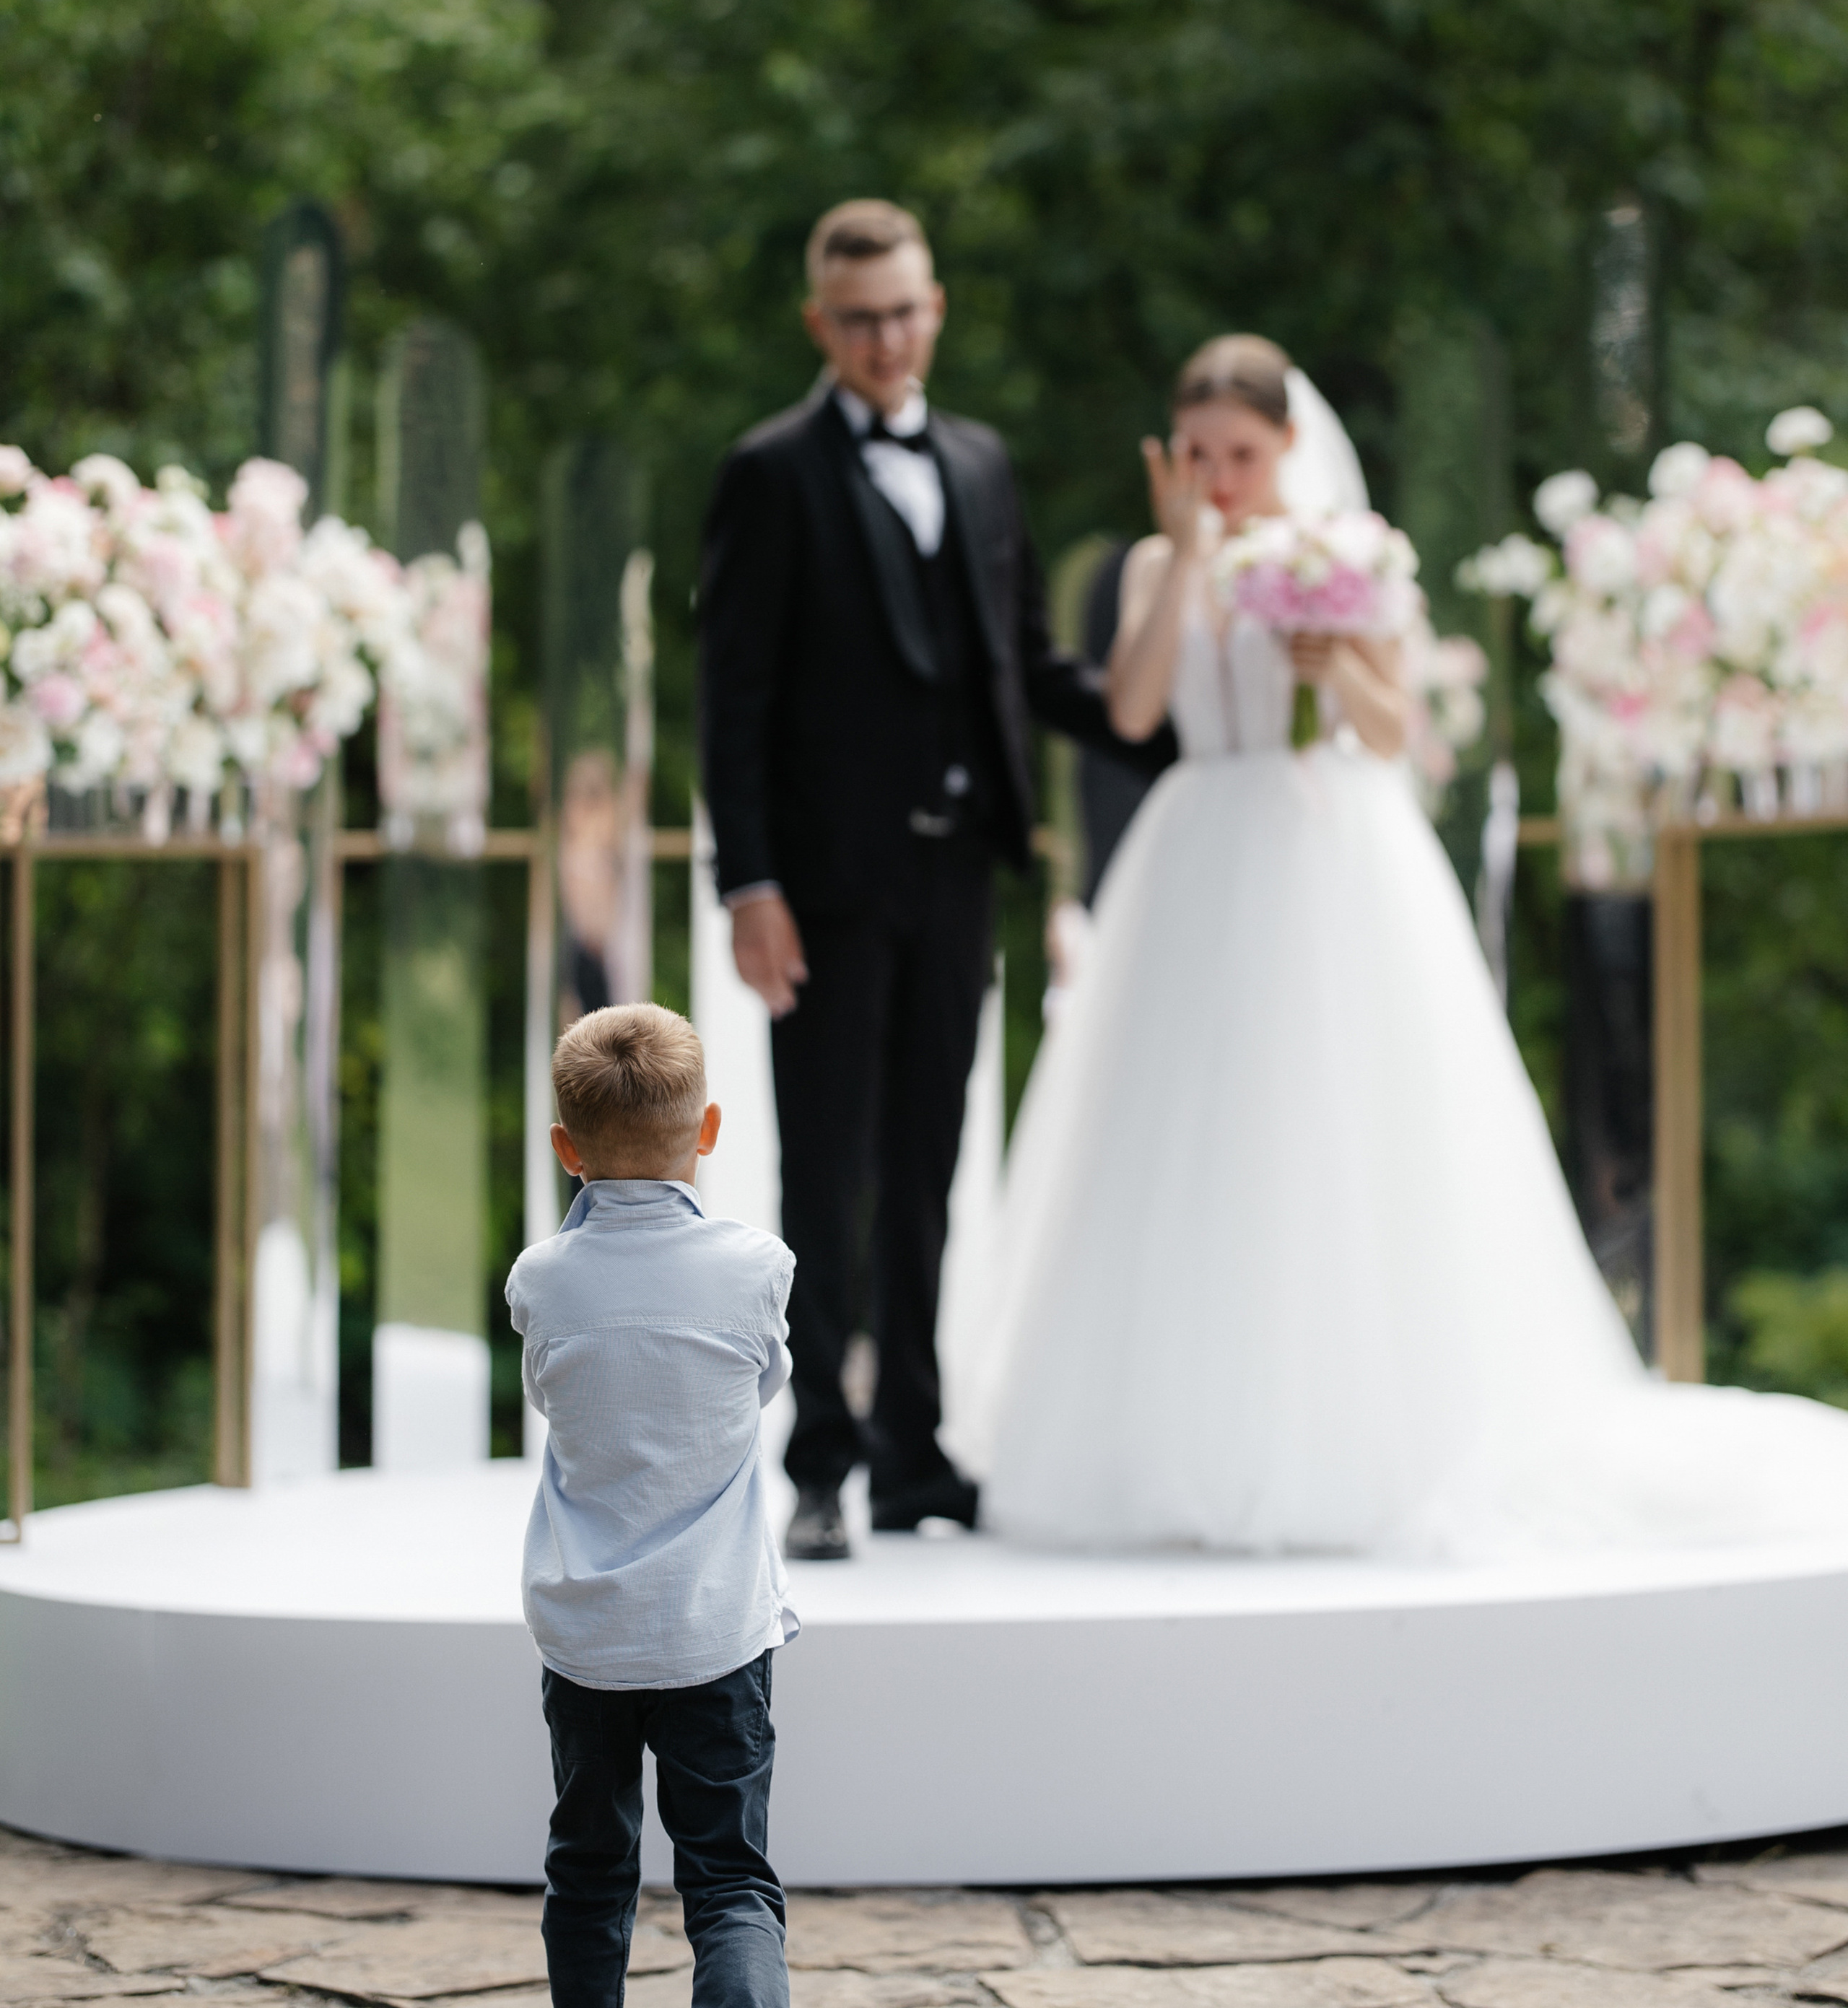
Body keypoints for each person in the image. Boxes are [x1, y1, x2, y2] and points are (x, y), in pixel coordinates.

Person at [951, 331, 1848, 1557]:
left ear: (1284, 447)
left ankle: (1350, 1434)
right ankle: (1172, 1435)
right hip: (1198, 844)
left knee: (1340, 1121)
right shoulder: (1167, 559)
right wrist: (1184, 562)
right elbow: (1133, 710)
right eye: (1199, 453)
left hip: (1326, 846)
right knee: (1185, 1129)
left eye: (1242, 453)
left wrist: (1332, 661)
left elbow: (1388, 729)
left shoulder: (1346, 557)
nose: (1221, 474)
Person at [698, 198, 1173, 1559]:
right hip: (826, 887)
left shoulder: (978, 463)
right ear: (818, 325)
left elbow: (1020, 663)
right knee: (825, 1170)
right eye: (857, 319)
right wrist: (751, 884)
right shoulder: (769, 471)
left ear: (936, 307)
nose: (885, 338)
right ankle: (818, 1466)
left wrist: (1181, 728)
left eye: (904, 312)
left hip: (964, 871)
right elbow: (732, 701)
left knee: (926, 1167)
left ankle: (913, 1451)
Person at [507, 1004, 794, 2008]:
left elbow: (555, 1395)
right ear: (707, 1130)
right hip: (714, 1633)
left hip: (588, 1639)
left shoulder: (540, 1280)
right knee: (730, 1883)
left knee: (588, 1870)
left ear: (564, 1149)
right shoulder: (760, 1271)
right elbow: (760, 1387)